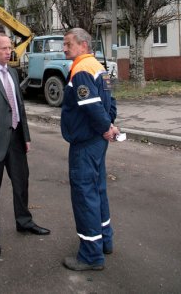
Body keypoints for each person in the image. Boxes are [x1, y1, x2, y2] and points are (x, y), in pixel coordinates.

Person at [0, 32, 50, 258]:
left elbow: (19, 108)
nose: (8, 51)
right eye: (3, 48)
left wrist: (26, 136)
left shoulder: (13, 73)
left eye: (9, 47)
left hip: (15, 140)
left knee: (22, 183)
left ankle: (24, 221)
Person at [61, 28, 119, 272]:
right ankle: (105, 241)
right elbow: (111, 101)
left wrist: (106, 126)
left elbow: (92, 105)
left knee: (85, 195)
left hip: (85, 143)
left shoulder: (81, 68)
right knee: (98, 189)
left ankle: (90, 256)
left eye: (68, 44)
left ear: (82, 45)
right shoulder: (99, 66)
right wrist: (110, 125)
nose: (64, 48)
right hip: (97, 141)